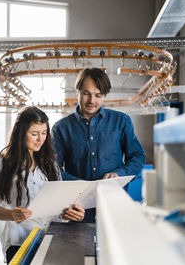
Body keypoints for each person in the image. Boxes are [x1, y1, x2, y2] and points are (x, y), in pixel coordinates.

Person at [0, 106, 85, 264]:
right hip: (18, 240)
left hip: (49, 237)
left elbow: (57, 204)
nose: (40, 139)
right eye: (34, 134)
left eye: (44, 133)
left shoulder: (50, 163)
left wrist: (69, 214)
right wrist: (11, 214)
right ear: (20, 133)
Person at [52, 68, 146, 222]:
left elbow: (137, 157)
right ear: (78, 91)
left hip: (114, 205)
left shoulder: (121, 121)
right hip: (77, 209)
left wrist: (119, 173)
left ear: (104, 96)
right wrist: (79, 184)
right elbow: (52, 168)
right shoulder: (61, 128)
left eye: (98, 95)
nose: (91, 101)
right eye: (86, 93)